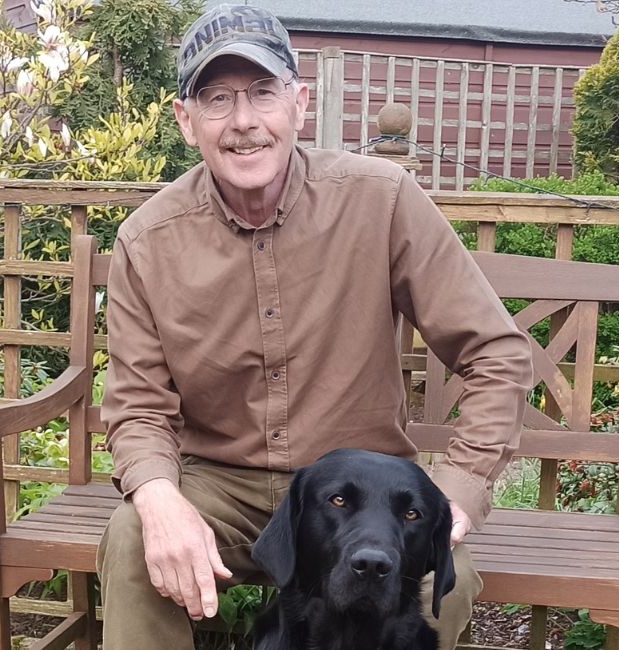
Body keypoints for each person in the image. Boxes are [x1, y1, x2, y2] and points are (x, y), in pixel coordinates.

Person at [96, 4, 535, 649]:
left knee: (449, 579)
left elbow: (494, 351)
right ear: (187, 122)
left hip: (360, 492)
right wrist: (159, 500)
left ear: (299, 103)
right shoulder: (147, 240)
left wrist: (460, 490)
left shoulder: (381, 200)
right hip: (222, 485)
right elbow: (137, 405)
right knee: (135, 541)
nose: (244, 123)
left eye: (262, 93)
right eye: (217, 99)